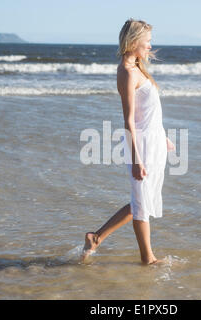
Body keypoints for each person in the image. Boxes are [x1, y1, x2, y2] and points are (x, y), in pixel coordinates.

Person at [82, 18, 175, 265]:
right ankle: (148, 259)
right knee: (141, 203)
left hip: (153, 142)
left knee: (141, 202)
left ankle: (96, 237)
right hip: (141, 146)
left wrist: (162, 136)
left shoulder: (137, 69)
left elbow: (149, 112)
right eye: (147, 42)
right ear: (134, 42)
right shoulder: (126, 72)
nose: (150, 47)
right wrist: (136, 159)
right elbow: (130, 121)